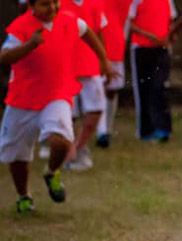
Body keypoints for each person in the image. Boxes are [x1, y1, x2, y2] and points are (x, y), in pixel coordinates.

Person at [1, 0, 115, 213]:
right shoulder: (20, 26)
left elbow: (87, 31)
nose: (52, 8)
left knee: (62, 141)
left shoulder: (69, 20)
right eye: (45, 4)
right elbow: (5, 57)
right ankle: (24, 196)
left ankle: (52, 172)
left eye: (55, 2)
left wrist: (103, 60)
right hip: (22, 100)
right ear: (32, 6)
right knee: (16, 156)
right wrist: (30, 45)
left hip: (56, 95)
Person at [60, 0, 107, 171]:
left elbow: (99, 33)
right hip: (66, 67)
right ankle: (70, 153)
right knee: (68, 115)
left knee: (96, 110)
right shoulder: (59, 4)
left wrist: (104, 60)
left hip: (90, 65)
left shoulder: (95, 3)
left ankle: (80, 147)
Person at [128, 0, 177, 142]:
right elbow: (130, 25)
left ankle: (163, 128)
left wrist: (169, 36)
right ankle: (145, 130)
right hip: (141, 48)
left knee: (159, 87)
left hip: (161, 49)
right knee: (143, 88)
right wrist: (149, 35)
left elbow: (171, 22)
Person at [95, 0, 133, 149]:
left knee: (111, 90)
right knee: (99, 87)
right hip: (93, 46)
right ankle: (101, 131)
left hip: (115, 44)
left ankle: (107, 128)